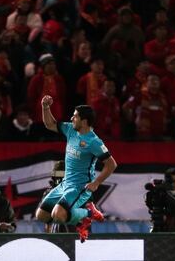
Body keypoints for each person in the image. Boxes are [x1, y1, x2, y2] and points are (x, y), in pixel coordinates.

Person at [36, 95, 117, 242]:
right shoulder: (70, 130)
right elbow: (49, 124)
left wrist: (97, 182)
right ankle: (84, 215)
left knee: (58, 215)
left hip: (79, 187)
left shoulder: (94, 142)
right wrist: (45, 107)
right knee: (41, 215)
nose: (71, 119)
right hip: (65, 183)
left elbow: (111, 164)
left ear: (84, 121)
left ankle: (88, 213)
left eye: (75, 117)